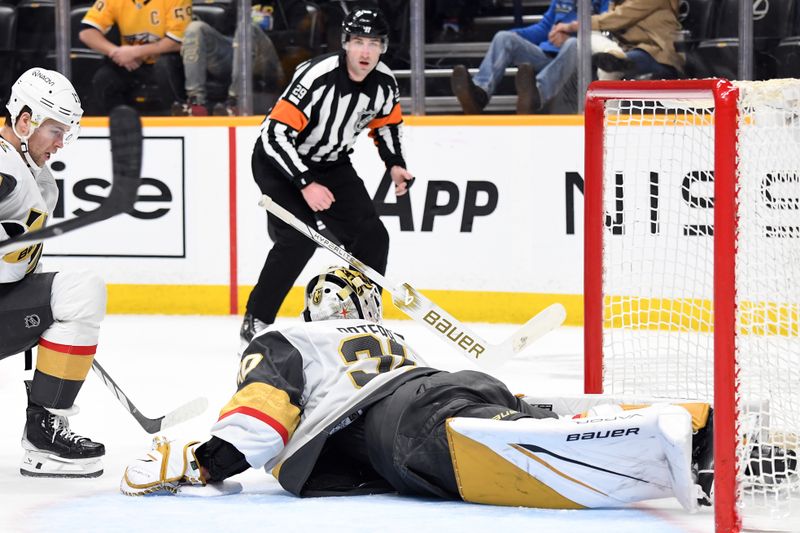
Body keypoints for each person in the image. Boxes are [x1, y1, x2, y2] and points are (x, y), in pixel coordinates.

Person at [120, 266, 713, 512]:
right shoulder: (391, 336)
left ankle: (640, 429)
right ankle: (684, 418)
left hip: (399, 425)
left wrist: (202, 462)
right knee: (499, 409)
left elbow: (262, 417)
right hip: (447, 383)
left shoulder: (291, 337)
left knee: (468, 436)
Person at [238, 5, 415, 350]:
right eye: (359, 41)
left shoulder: (384, 84)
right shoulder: (317, 76)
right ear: (345, 43)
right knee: (299, 237)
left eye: (374, 43)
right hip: (279, 161)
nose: (366, 51)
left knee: (373, 238)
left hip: (332, 164)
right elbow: (274, 136)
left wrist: (395, 163)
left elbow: (388, 125)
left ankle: (365, 316)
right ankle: (257, 317)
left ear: (384, 47)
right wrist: (305, 183)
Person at [0, 68, 107, 477]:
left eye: (66, 132)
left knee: (79, 292)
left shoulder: (38, 178)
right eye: (55, 131)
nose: (61, 143)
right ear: (25, 121)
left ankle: (44, 434)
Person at [517, 0, 684, 113]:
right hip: (625, 49)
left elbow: (619, 17)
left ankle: (603, 116)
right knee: (588, 50)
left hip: (656, 53)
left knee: (617, 62)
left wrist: (573, 26)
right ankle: (555, 104)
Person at [450, 0, 609, 115]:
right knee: (503, 37)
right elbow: (543, 28)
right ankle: (480, 94)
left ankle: (535, 95)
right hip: (546, 55)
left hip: (578, 57)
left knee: (573, 43)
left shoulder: (603, 2)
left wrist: (569, 37)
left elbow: (605, 29)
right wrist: (516, 35)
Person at [79, 0, 191, 115]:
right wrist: (115, 51)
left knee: (164, 67)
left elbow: (179, 41)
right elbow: (86, 32)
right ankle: (118, 124)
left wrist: (136, 52)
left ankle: (179, 118)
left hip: (169, 60)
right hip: (131, 63)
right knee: (104, 77)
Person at [174, 17, 284, 117]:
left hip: (267, 55)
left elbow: (293, 33)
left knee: (247, 27)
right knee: (195, 27)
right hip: (232, 50)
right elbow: (221, 26)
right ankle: (195, 103)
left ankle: (235, 102)